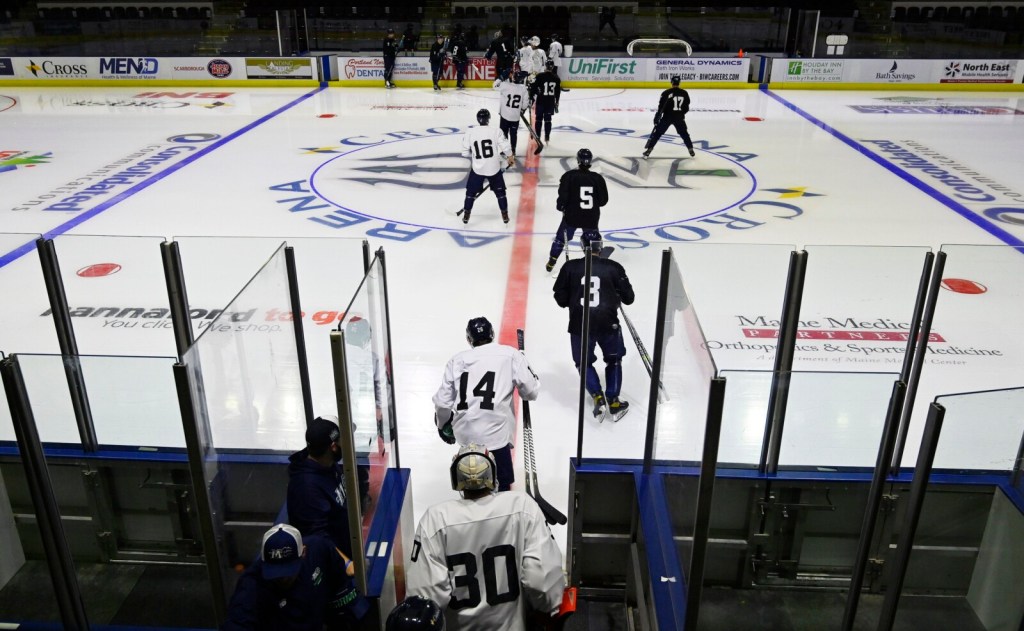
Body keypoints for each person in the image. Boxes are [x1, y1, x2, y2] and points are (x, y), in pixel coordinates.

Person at [407, 445, 565, 629]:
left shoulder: (435, 520)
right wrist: (545, 608)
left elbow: (425, 599)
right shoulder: (522, 507)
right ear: (493, 475)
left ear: (455, 477)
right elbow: (542, 583)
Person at [432, 318, 540, 492]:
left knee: (472, 490)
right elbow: (531, 392)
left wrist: (442, 424)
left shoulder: (457, 360)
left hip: (466, 439)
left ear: (469, 339)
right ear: (493, 334)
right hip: (496, 437)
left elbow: (443, 404)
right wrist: (530, 375)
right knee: (503, 493)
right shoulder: (511, 355)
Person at [224, 524, 368, 630]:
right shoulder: (251, 589)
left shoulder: (319, 550)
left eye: (287, 570)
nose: (282, 578)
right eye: (275, 571)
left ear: (303, 553)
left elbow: (343, 591)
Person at [553, 235, 635, 422]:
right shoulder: (614, 267)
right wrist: (616, 292)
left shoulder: (570, 267)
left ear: (582, 247)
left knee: (583, 363)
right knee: (614, 361)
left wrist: (572, 296)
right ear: (601, 246)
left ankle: (597, 397)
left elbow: (560, 298)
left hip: (580, 324)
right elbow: (629, 298)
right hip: (608, 322)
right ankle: (613, 400)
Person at [287, 416, 368, 558]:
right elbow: (317, 539)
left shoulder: (327, 463)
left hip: (350, 547)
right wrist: (347, 564)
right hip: (337, 567)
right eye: (343, 440)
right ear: (334, 447)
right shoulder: (306, 489)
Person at [545, 148, 607, 273]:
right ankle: (594, 261)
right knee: (592, 239)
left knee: (561, 239)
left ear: (578, 160)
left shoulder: (568, 176)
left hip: (572, 216)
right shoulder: (598, 178)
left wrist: (561, 206)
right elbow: (603, 201)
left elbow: (562, 198)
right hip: (591, 217)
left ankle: (552, 261)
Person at [459, 109, 515, 225]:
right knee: (501, 193)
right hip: (493, 168)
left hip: (478, 169)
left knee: (470, 193)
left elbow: (464, 153)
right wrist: (510, 157)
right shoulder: (496, 131)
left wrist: (475, 155)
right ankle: (505, 215)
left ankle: (466, 215)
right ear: (488, 119)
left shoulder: (470, 132)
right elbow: (505, 147)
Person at [643, 75, 696, 160]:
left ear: (671, 82)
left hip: (667, 117)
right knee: (684, 133)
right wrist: (680, 114)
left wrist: (657, 118)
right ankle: (690, 148)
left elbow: (661, 108)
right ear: (679, 83)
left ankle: (649, 150)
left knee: (657, 133)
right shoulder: (684, 93)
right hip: (679, 117)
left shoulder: (666, 93)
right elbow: (686, 107)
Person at [494, 70, 530, 159]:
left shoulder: (505, 85)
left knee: (504, 133)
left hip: (505, 115)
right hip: (515, 116)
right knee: (513, 134)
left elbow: (494, 86)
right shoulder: (523, 88)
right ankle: (513, 150)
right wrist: (522, 109)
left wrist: (501, 78)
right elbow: (525, 103)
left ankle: (506, 150)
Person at [530, 60, 561, 143]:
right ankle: (547, 136)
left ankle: (538, 136)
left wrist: (531, 99)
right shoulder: (556, 78)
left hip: (541, 101)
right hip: (550, 102)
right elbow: (558, 92)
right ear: (553, 67)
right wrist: (557, 102)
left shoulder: (540, 76)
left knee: (538, 120)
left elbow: (533, 88)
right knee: (548, 120)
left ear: (545, 66)